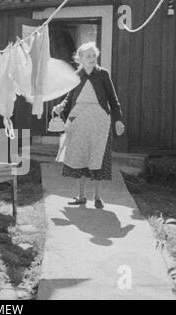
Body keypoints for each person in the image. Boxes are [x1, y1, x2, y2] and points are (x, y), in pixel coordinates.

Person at [53, 42, 125, 209]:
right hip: (78, 121)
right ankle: (81, 196)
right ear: (80, 59)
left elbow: (113, 99)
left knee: (97, 156)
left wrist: (118, 119)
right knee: (79, 156)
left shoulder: (103, 74)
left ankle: (98, 197)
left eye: (94, 55)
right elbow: (69, 97)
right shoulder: (76, 75)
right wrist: (61, 106)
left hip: (99, 121)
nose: (92, 59)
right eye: (88, 56)